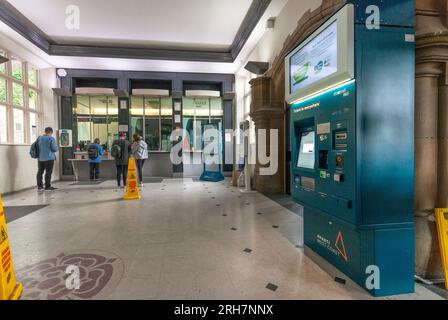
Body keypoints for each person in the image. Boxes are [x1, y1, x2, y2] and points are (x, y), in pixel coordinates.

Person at [36, 127, 59, 192]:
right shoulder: (51, 138)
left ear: (45, 131)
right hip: (49, 158)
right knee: (48, 172)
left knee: (40, 171)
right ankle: (47, 186)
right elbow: (55, 149)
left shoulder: (39, 138)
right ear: (51, 132)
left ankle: (40, 186)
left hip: (40, 158)